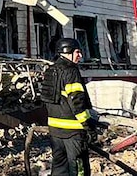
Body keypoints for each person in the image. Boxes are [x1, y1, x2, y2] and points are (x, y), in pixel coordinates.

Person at [42, 37, 95, 176]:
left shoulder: (50, 71)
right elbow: (77, 103)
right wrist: (89, 126)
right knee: (79, 170)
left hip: (55, 132)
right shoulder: (71, 71)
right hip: (74, 132)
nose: (80, 56)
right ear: (67, 52)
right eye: (78, 52)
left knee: (59, 169)